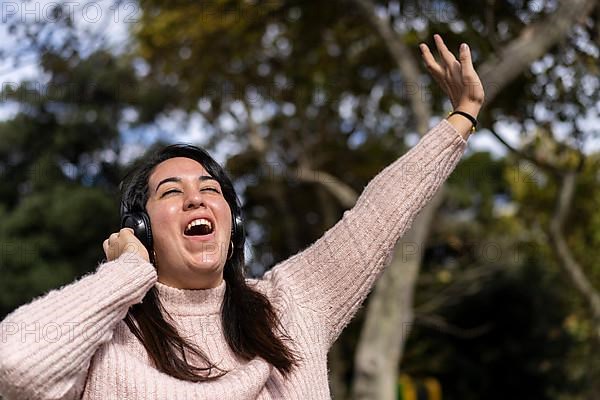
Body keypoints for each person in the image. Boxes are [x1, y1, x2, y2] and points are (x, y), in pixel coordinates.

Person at [0, 34, 484, 399]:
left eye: (211, 190)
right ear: (140, 228)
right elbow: (14, 364)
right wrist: (126, 270)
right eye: (172, 192)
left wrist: (461, 117)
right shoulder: (107, 336)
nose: (196, 199)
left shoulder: (290, 304)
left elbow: (377, 215)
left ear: (232, 227)